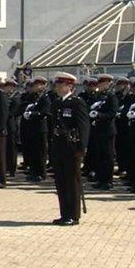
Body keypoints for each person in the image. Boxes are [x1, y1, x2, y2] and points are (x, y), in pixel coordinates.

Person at [51, 72, 90, 226]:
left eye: (61, 85)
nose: (58, 88)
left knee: (72, 181)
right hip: (59, 146)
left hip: (72, 147)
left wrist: (82, 148)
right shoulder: (57, 103)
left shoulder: (77, 103)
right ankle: (64, 213)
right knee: (61, 181)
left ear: (70, 87)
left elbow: (84, 126)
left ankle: (73, 215)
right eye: (57, 85)